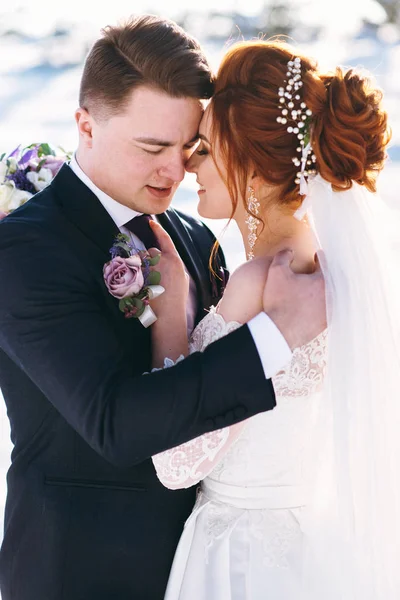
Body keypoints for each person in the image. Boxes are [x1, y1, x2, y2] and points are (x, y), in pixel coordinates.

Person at [0, 16, 326, 600]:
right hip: (80, 575)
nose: (174, 171)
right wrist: (277, 337)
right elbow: (114, 423)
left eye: (189, 147)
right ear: (86, 126)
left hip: (208, 568)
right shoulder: (24, 249)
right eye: (152, 147)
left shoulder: (198, 241)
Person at [151, 40, 400, 599]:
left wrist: (170, 311)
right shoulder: (334, 272)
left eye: (207, 149)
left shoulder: (258, 284)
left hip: (236, 559)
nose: (190, 164)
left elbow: (174, 461)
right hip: (309, 550)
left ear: (256, 170)